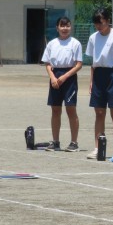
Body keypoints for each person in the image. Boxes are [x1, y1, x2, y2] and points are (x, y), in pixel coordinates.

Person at [85, 8, 113, 158]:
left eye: (101, 23)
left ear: (108, 21)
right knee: (99, 112)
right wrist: (91, 81)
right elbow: (93, 62)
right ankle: (98, 148)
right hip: (98, 75)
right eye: (96, 24)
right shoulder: (93, 38)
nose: (99, 26)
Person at [41, 16, 83, 152]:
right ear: (57, 28)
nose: (65, 28)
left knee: (71, 109)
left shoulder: (75, 43)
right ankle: (55, 142)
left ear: (71, 27)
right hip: (55, 77)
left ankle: (74, 142)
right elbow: (47, 63)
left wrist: (65, 76)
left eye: (67, 25)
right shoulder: (52, 44)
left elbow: (78, 64)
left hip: (69, 77)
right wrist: (53, 77)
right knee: (55, 109)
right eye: (62, 25)